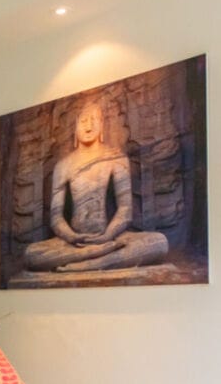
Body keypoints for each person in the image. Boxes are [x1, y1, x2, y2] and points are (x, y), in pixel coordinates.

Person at [24, 102, 168, 272]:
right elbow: (56, 218)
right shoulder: (64, 165)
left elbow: (125, 209)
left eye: (94, 120)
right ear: (76, 127)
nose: (89, 126)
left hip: (111, 237)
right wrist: (71, 236)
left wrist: (108, 235)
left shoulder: (116, 158)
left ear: (102, 125)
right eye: (84, 121)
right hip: (74, 242)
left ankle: (88, 264)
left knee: (159, 242)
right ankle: (95, 255)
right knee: (31, 254)